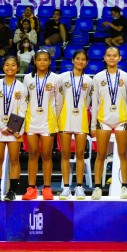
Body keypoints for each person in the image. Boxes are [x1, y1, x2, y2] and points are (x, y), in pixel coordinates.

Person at [90, 47, 127, 200]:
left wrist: (126, 118)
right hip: (103, 120)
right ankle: (97, 188)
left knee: (123, 154)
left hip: (121, 119)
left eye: (115, 56)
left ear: (119, 58)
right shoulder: (98, 77)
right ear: (104, 57)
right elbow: (94, 102)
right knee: (100, 154)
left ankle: (124, 186)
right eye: (109, 55)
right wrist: (93, 124)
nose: (112, 58)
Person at [22, 50, 63, 200]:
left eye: (45, 60)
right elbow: (24, 101)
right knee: (32, 154)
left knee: (46, 155)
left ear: (50, 62)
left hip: (48, 121)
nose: (42, 62)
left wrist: (54, 118)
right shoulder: (27, 78)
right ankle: (31, 188)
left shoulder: (55, 78)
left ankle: (47, 188)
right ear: (34, 61)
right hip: (31, 121)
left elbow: (59, 102)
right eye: (39, 60)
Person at [58, 50, 93, 200]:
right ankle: (66, 187)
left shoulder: (89, 81)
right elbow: (58, 100)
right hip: (65, 119)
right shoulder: (62, 78)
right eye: (77, 59)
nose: (80, 61)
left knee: (80, 155)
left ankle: (79, 187)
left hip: (81, 120)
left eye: (83, 59)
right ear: (72, 60)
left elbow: (90, 101)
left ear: (86, 62)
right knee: (65, 154)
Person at [0, 56, 28, 201]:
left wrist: (19, 130)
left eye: (13, 65)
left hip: (14, 130)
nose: (10, 67)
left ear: (18, 67)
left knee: (14, 159)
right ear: (3, 67)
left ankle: (12, 191)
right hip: (0, 128)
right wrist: (2, 126)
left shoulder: (21, 87)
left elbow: (23, 110)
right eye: (7, 65)